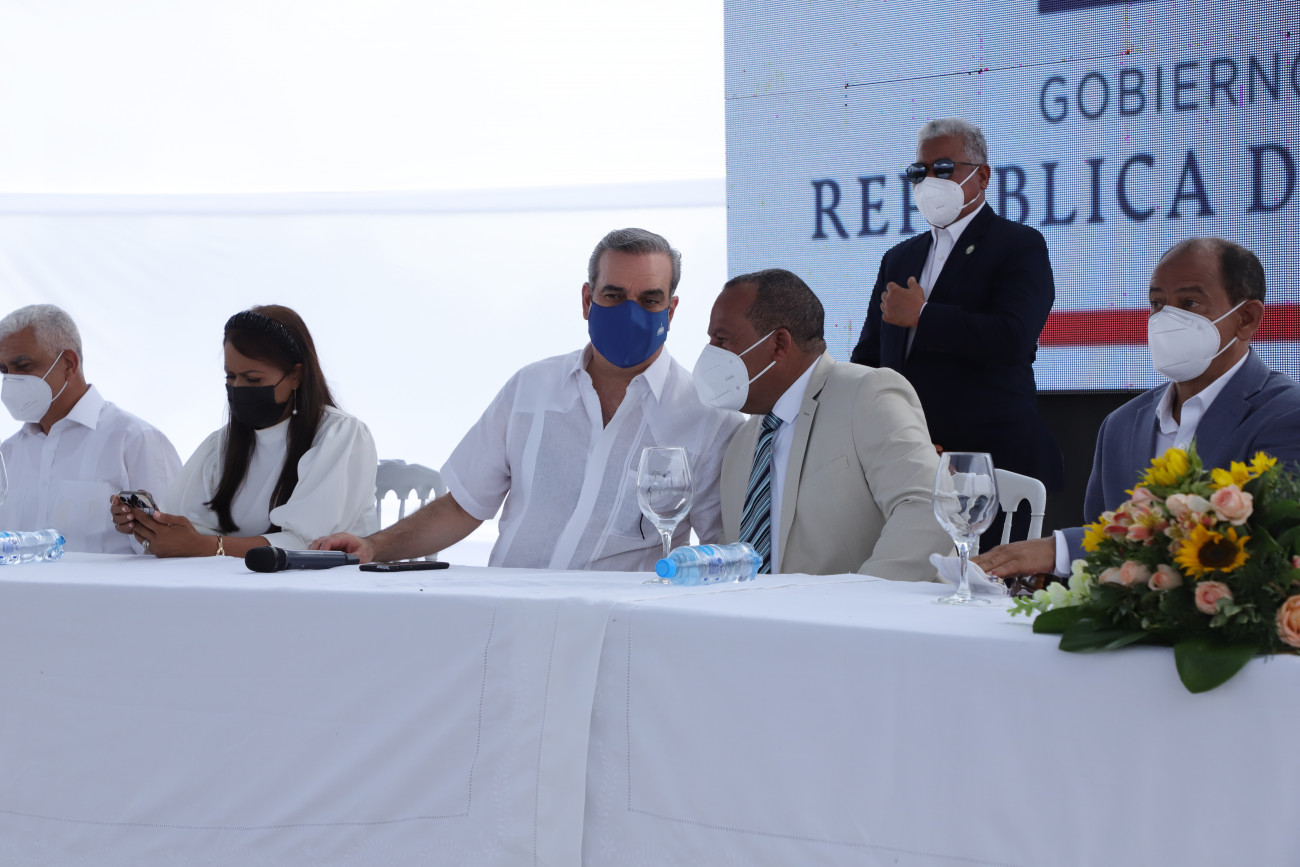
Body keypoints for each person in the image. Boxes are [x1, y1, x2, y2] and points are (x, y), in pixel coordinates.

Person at [312, 228, 743, 569]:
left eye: (649, 300)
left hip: (617, 630)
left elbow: (722, 551)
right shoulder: (531, 389)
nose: (630, 312)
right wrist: (373, 546)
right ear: (587, 300)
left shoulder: (709, 420)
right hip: (510, 615)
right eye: (613, 295)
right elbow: (463, 507)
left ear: (671, 310)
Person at [975, 237, 1300, 580]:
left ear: (1246, 318)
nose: (1166, 319)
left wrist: (1061, 551)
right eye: (1157, 303)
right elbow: (1102, 557)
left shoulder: (1286, 416)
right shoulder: (1121, 425)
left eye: (1190, 303)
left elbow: (1264, 552)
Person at [849, 117, 1063, 546]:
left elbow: (1012, 338)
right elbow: (870, 359)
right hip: (912, 462)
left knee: (986, 581)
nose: (930, 181)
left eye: (944, 169)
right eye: (919, 172)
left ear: (982, 176)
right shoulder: (898, 258)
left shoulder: (1018, 245)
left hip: (995, 461)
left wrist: (924, 316)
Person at [697, 268, 953, 578]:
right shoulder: (742, 440)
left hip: (864, 607)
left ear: (779, 344)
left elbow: (929, 506)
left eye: (722, 340)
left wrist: (859, 598)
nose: (711, 354)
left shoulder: (866, 393)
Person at [111, 305, 378, 557]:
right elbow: (189, 526)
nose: (238, 388)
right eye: (230, 376)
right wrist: (151, 526)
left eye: (253, 379)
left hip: (323, 586)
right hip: (234, 584)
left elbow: (311, 545)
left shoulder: (340, 435)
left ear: (296, 376)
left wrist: (206, 546)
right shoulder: (221, 445)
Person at [0, 304, 181, 553]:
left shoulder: (135, 440)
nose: (11, 380)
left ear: (68, 364)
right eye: (4, 371)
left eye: (23, 366)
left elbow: (171, 551)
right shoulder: (8, 454)